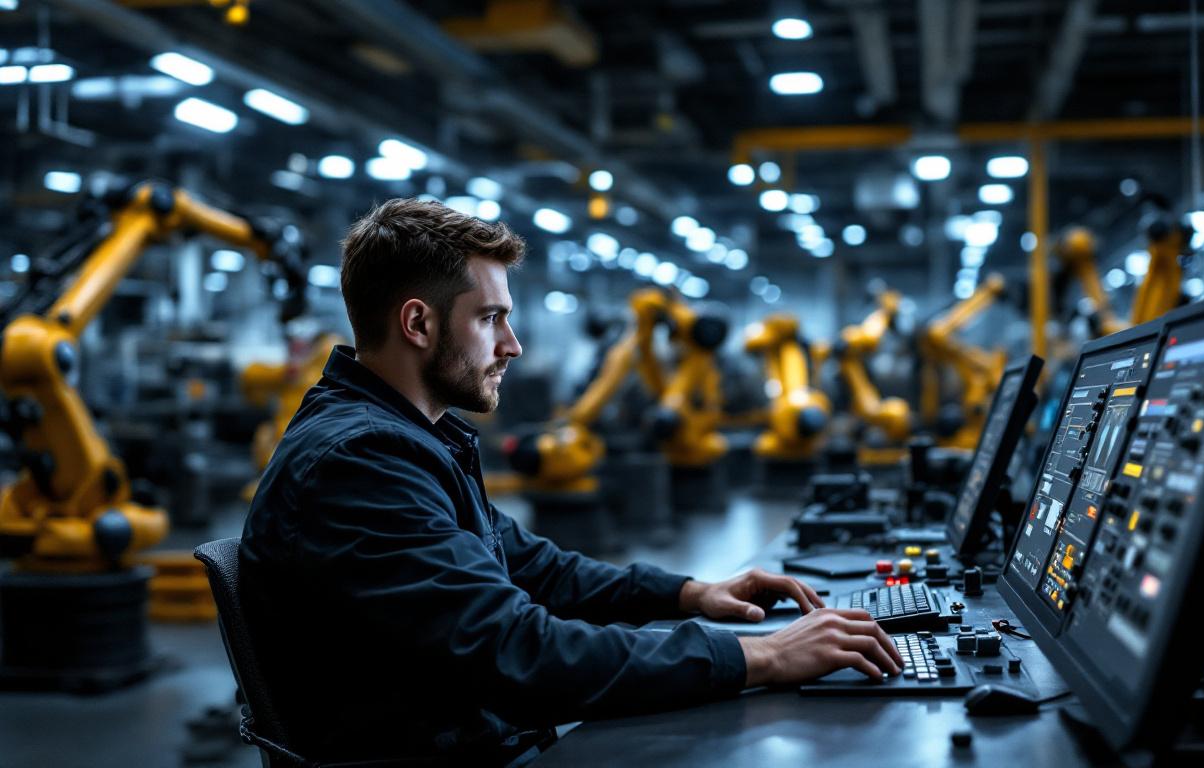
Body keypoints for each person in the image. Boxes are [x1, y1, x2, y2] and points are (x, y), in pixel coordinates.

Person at [240, 198, 903, 765]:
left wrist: (693, 594)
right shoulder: (361, 459)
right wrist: (760, 658)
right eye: (490, 318)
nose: (513, 345)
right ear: (418, 323)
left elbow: (536, 570)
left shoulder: (407, 438)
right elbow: (518, 652)